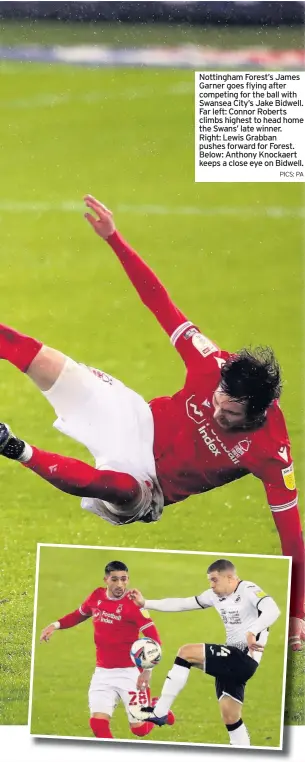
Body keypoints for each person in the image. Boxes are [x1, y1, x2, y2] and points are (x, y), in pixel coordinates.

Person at [0, 194, 303, 647]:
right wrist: (114, 239)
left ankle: (12, 446)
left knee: (118, 486)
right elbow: (161, 304)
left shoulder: (271, 452)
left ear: (256, 413)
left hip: (150, 489)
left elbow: (292, 537)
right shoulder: (211, 364)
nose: (219, 409)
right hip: (133, 419)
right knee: (37, 356)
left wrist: (298, 614)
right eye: (219, 397)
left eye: (231, 412)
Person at [129, 558, 281, 747]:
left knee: (186, 652)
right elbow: (183, 603)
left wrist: (253, 630)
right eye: (209, 580)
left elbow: (273, 610)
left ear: (230, 577)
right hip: (232, 662)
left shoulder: (248, 589)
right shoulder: (214, 595)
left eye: (215, 580)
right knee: (231, 718)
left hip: (243, 658)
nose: (211, 585)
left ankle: (160, 712)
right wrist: (146, 603)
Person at [40, 559, 174, 740]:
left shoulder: (134, 604)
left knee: (139, 730)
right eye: (115, 579)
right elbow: (79, 615)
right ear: (106, 580)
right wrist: (55, 625)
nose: (120, 584)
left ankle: (158, 708)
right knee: (97, 723)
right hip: (102, 673)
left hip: (131, 674)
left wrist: (147, 672)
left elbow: (154, 640)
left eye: (124, 579)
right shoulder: (97, 596)